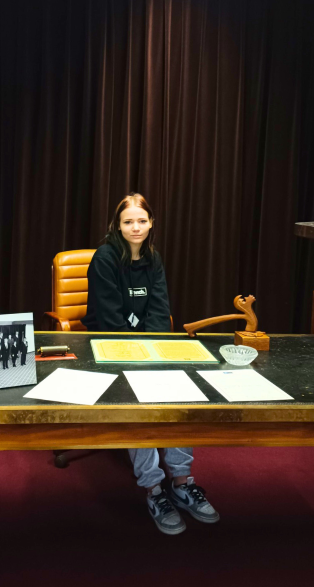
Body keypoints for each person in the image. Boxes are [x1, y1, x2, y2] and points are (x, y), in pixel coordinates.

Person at [82, 192, 219, 535]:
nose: (136, 227)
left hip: (149, 347)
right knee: (137, 400)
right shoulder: (104, 258)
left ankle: (182, 481)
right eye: (128, 221)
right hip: (108, 346)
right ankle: (154, 488)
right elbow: (109, 320)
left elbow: (160, 310)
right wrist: (136, 357)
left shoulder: (153, 258)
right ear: (117, 225)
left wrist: (157, 352)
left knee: (182, 393)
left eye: (141, 220)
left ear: (151, 223)